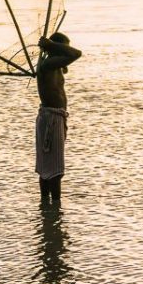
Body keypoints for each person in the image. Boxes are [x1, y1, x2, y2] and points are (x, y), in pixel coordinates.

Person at [35, 32, 82, 203]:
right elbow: (77, 54)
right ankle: (55, 208)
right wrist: (51, 45)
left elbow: (67, 62)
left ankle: (47, 210)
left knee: (47, 168)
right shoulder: (49, 63)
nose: (67, 51)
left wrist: (53, 48)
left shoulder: (51, 63)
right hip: (52, 119)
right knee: (54, 170)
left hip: (51, 117)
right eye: (64, 47)